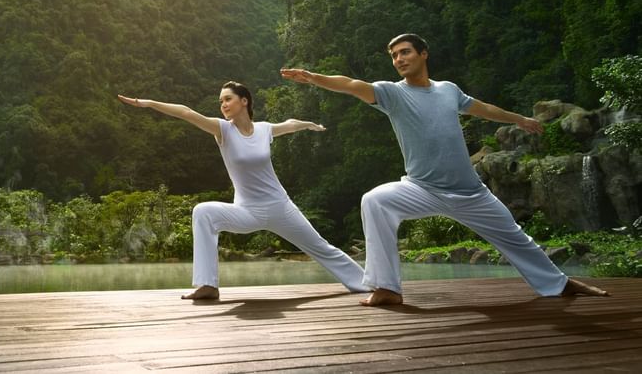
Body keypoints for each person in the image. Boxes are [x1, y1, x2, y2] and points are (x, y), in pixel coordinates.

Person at [281, 33, 609, 306]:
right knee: (375, 200)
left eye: (405, 52)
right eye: (394, 55)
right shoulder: (392, 94)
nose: (399, 59)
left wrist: (519, 119)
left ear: (423, 54)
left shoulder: (448, 90)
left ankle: (561, 285)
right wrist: (314, 78)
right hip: (421, 188)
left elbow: (483, 108)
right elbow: (352, 84)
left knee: (516, 238)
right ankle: (387, 288)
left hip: (470, 193)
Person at [117, 82, 368, 300]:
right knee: (203, 212)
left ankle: (367, 283)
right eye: (220, 101)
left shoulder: (263, 129)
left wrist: (307, 124)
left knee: (321, 247)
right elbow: (186, 112)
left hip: (280, 207)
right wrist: (148, 103)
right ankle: (207, 285)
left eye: (228, 99)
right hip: (247, 211)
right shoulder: (222, 130)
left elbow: (289, 125)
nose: (223, 104)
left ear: (244, 101)